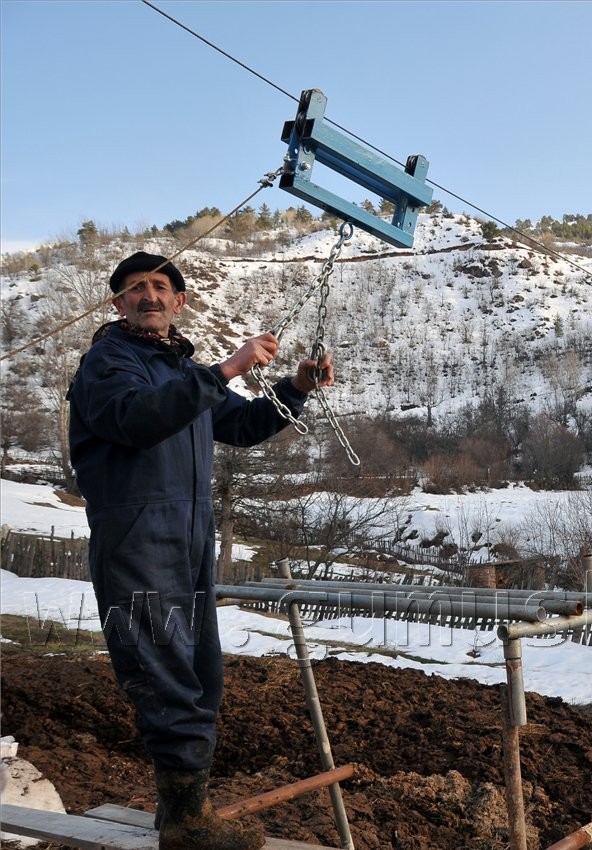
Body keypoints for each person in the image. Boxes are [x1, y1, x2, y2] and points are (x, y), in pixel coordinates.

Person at [67, 251, 336, 850]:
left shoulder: (180, 372)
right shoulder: (108, 363)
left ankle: (180, 811)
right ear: (118, 303)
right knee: (161, 670)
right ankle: (187, 823)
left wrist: (296, 387)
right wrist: (226, 369)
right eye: (136, 288)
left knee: (198, 670)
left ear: (179, 302)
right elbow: (136, 419)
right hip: (136, 539)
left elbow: (242, 426)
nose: (150, 295)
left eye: (161, 286)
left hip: (188, 541)